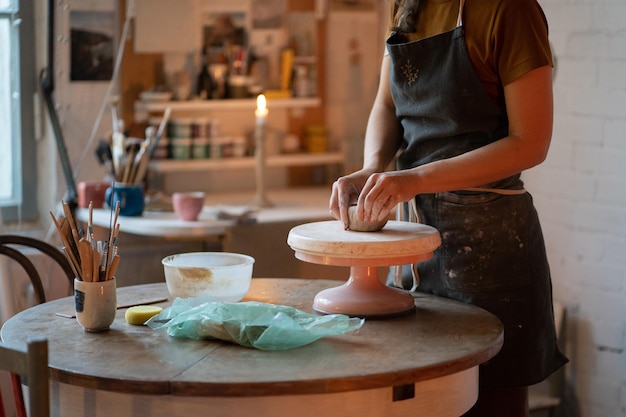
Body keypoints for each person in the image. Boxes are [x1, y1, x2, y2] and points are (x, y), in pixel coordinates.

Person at [329, 0, 568, 416]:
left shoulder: (510, 9)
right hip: (415, 244)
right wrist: (371, 168)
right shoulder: (407, 5)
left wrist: (415, 179)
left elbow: (531, 141)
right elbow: (387, 104)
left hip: (491, 250)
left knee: (489, 400)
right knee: (419, 401)